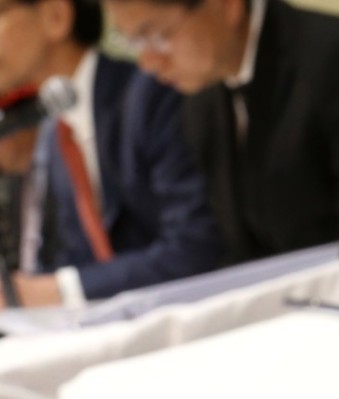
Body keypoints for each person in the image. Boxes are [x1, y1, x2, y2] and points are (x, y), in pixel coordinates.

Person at [103, 0, 339, 264]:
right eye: (132, 41)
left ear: (227, 5)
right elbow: (243, 250)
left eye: (156, 36)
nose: (147, 62)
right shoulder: (202, 103)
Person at [0, 0, 222, 308]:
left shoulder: (151, 92)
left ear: (56, 16)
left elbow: (193, 246)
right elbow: (78, 255)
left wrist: (55, 290)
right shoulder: (55, 131)